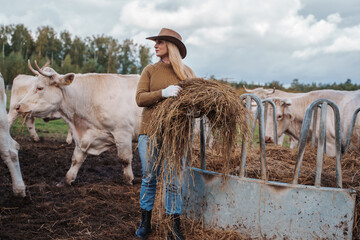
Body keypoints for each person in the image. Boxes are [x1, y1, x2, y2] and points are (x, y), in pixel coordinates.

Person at [135, 28, 196, 240]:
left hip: (175, 135)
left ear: (171, 46)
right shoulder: (150, 70)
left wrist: (193, 110)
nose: (155, 45)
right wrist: (163, 93)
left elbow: (194, 102)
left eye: (160, 42)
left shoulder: (186, 73)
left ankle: (173, 226)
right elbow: (140, 98)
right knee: (150, 177)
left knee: (172, 180)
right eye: (156, 42)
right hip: (150, 133)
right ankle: (145, 223)